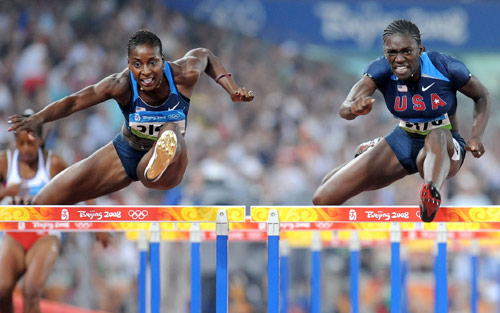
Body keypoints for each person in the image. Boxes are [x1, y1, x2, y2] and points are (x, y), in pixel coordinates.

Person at [7, 29, 254, 205]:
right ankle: (27, 211)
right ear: (129, 63)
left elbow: (207, 56)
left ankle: (158, 159)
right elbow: (75, 101)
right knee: (46, 200)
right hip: (126, 151)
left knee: (169, 132)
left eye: (152, 63)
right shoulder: (121, 84)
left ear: (163, 60)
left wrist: (232, 90)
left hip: (170, 164)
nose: (145, 72)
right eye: (137, 64)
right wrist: (38, 118)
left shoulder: (183, 74)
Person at [312, 19, 490, 222]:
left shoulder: (445, 67)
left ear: (420, 49)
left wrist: (476, 137)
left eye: (407, 51)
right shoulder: (380, 70)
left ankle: (431, 194)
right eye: (392, 53)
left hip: (445, 147)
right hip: (403, 140)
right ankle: (372, 151)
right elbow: (345, 108)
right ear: (385, 52)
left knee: (436, 135)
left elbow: (481, 95)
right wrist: (353, 108)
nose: (399, 59)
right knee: (323, 199)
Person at [0, 110, 108, 313]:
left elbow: (83, 186)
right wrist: (6, 191)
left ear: (41, 140)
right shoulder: (5, 162)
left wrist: (98, 225)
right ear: (15, 141)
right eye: (21, 143)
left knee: (31, 290)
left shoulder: (53, 163)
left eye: (31, 144)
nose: (26, 149)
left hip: (45, 234)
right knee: (3, 289)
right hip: (14, 233)